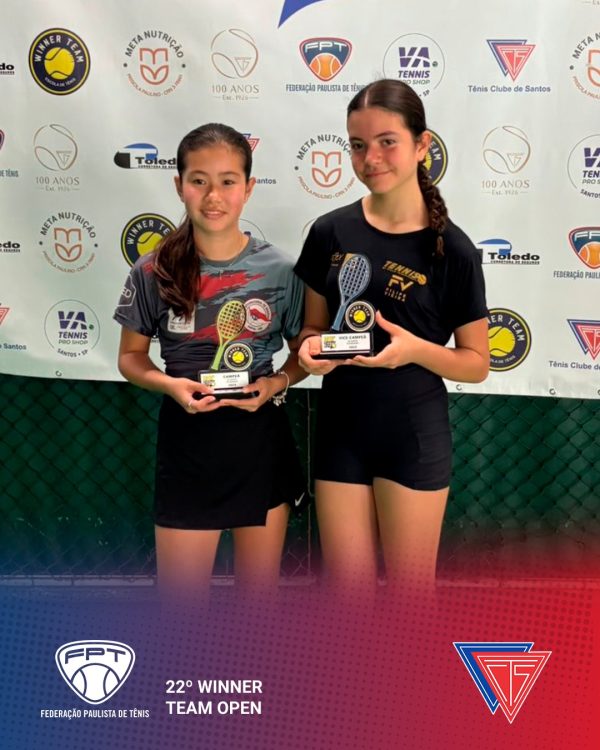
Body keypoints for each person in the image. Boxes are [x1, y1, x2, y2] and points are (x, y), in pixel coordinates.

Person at [294, 79, 489, 600]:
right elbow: (311, 329)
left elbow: (476, 363)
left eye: (387, 142)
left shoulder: (454, 251)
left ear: (422, 145)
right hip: (340, 432)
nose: (370, 158)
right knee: (347, 600)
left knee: (410, 601)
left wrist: (414, 351)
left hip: (412, 435)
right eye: (358, 145)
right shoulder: (330, 231)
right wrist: (309, 352)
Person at [114, 123, 306, 601]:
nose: (213, 196)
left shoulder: (281, 271)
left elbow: (303, 354)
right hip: (188, 446)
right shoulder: (151, 270)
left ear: (249, 188)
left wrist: (275, 383)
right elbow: (131, 358)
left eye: (227, 181)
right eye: (199, 181)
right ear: (179, 185)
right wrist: (171, 385)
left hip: (259, 444)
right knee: (181, 609)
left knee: (256, 607)